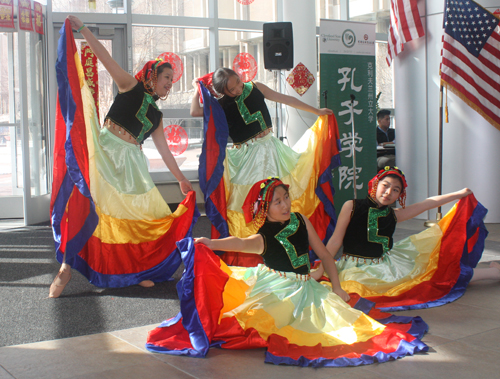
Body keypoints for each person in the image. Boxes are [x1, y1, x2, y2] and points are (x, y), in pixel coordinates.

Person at [146, 178, 428, 367]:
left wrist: (339, 288)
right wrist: (210, 242)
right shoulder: (263, 236)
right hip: (277, 287)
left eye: (286, 198)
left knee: (343, 324)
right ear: (264, 209)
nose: (285, 205)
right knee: (259, 323)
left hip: (307, 286)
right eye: (277, 202)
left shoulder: (301, 220)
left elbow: (327, 255)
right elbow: (241, 243)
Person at [49, 16, 196, 298]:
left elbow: (165, 152)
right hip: (106, 153)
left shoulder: (158, 115)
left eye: (172, 80)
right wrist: (82, 29)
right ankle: (66, 266)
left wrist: (181, 179)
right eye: (167, 78)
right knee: (91, 206)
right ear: (153, 76)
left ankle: (137, 270)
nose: (170, 84)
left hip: (131, 165)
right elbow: (104, 58)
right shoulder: (131, 85)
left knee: (143, 216)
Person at [191, 68, 339, 266]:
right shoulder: (221, 105)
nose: (237, 89)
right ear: (222, 92)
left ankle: (288, 248)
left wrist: (317, 111)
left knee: (282, 197)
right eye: (231, 89)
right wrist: (195, 89)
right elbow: (195, 111)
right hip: (247, 158)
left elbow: (286, 99)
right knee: (252, 203)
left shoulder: (256, 87)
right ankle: (260, 253)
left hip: (271, 150)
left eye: (237, 82)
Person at [314, 166, 500, 310]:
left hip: (385, 267)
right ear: (375, 184)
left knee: (437, 275)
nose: (388, 192)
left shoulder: (394, 214)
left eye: (395, 190)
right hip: (351, 265)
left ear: (399, 195)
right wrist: (321, 269)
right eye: (385, 186)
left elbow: (427, 204)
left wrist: (458, 194)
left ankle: (494, 273)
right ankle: (493, 271)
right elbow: (335, 241)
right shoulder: (352, 206)